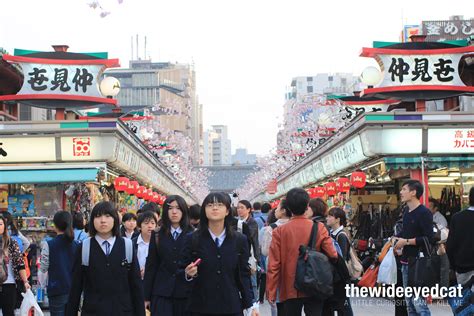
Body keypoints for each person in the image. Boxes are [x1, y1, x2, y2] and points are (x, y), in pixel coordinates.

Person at [182, 192, 259, 316]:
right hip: (200, 306)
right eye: (210, 205)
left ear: (227, 211)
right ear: (204, 211)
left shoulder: (239, 240)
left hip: (231, 306)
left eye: (219, 204)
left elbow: (243, 275)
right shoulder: (193, 239)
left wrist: (250, 305)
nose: (215, 208)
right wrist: (188, 274)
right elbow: (182, 269)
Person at [267, 188, 338, 315]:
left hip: (290, 286)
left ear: (288, 206)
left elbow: (274, 265)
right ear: (307, 206)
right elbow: (332, 254)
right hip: (314, 282)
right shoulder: (319, 227)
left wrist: (271, 291)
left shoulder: (279, 232)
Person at [66, 202, 145, 316]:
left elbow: (136, 286)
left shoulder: (127, 246)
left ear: (115, 219)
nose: (103, 220)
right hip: (93, 311)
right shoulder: (84, 247)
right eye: (98, 216)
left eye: (108, 216)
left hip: (122, 311)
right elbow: (75, 288)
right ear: (92, 220)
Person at [143, 195, 194, 316]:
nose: (174, 212)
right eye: (170, 208)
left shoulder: (194, 234)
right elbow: (151, 266)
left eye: (178, 208)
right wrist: (146, 296)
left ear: (184, 211)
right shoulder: (157, 234)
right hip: (162, 292)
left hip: (186, 293)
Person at [392, 179, 434, 316]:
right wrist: (396, 238)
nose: (401, 192)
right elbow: (406, 232)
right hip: (405, 262)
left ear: (413, 192)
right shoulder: (406, 212)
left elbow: (429, 238)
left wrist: (406, 242)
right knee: (409, 304)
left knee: (419, 304)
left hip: (419, 263)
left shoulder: (424, 213)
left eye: (404, 189)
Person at [40, 211, 79, 316]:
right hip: (74, 291)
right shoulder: (77, 245)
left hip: (56, 289)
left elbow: (43, 269)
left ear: (55, 225)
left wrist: (42, 285)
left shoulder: (48, 245)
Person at [261, 200, 291, 316]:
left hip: (276, 266)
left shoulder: (272, 228)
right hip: (293, 266)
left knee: (277, 298)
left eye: (277, 208)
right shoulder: (295, 226)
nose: (275, 210)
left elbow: (265, 251)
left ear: (283, 211)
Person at [0, 215, 31, 316]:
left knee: (8, 312)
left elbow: (20, 263)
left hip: (9, 284)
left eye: (0, 224)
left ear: (4, 226)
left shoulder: (12, 242)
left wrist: (25, 281)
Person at [327, 207, 353, 316]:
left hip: (341, 277)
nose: (327, 218)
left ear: (337, 219)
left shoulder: (341, 235)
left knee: (344, 306)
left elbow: (341, 257)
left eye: (330, 216)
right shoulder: (333, 233)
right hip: (337, 277)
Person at [446, 186, 474, 289]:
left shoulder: (457, 218)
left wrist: (454, 266)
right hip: (462, 266)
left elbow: (450, 246)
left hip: (463, 267)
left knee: (466, 301)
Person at [237, 200, 261, 300]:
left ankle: (253, 305)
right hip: (239, 257)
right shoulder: (237, 222)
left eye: (242, 207)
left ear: (249, 209)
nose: (239, 210)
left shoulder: (252, 222)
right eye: (238, 207)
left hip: (251, 258)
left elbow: (248, 237)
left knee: (252, 283)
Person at [132, 211, 157, 280]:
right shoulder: (132, 243)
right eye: (146, 223)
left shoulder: (159, 244)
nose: (150, 226)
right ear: (139, 227)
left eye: (153, 223)